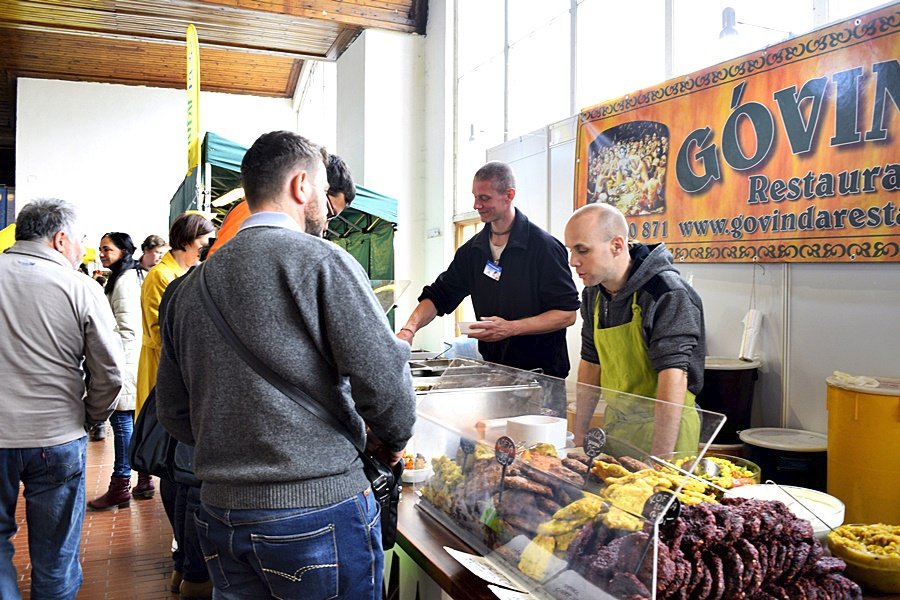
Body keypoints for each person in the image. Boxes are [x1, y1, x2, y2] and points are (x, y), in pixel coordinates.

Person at [156, 130, 416, 599]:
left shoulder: (187, 288)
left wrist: (241, 448)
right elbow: (384, 380)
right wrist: (393, 442)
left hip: (220, 514)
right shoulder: (322, 262)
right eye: (321, 192)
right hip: (319, 512)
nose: (327, 211)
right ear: (301, 186)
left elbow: (174, 411)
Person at [0, 199, 123, 600]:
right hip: (57, 436)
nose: (82, 250)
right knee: (56, 557)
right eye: (81, 242)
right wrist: (90, 417)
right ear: (61, 238)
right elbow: (109, 371)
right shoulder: (81, 287)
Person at [397, 161, 580, 400]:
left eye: (484, 198)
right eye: (475, 197)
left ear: (509, 195)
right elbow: (439, 295)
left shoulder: (543, 248)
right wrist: (408, 330)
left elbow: (567, 314)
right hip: (495, 375)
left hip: (542, 380)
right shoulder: (472, 251)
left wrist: (510, 328)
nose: (476, 205)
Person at [564, 203, 705, 455]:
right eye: (571, 250)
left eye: (582, 250)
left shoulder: (667, 293)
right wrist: (580, 435)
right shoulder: (593, 293)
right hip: (618, 426)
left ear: (617, 245)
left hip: (665, 433)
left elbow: (673, 378)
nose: (573, 261)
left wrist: (660, 460)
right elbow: (590, 362)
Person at [134, 212, 214, 597]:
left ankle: (184, 567)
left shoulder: (180, 279)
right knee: (181, 477)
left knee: (182, 479)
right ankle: (190, 570)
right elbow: (161, 336)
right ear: (189, 240)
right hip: (174, 387)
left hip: (178, 388)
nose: (208, 245)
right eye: (205, 238)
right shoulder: (164, 278)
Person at [206, 151, 356, 256]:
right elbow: (218, 261)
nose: (326, 225)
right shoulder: (258, 213)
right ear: (304, 185)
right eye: (328, 211)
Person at [88, 232, 143, 510]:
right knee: (133, 421)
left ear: (124, 250)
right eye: (100, 249)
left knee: (122, 422)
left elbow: (128, 330)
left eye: (107, 249)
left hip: (124, 363)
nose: (102, 254)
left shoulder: (124, 281)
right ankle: (143, 480)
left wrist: (114, 366)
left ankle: (121, 483)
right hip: (127, 362)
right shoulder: (122, 277)